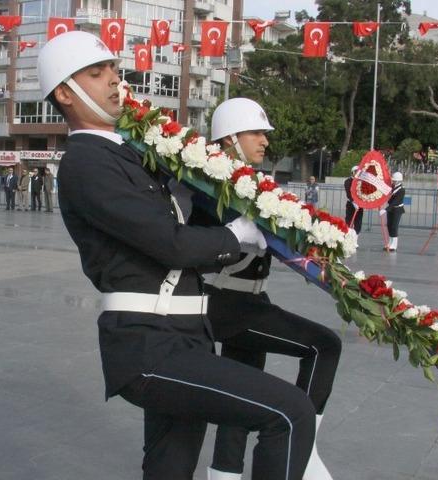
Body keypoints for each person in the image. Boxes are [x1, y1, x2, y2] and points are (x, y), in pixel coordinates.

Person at [40, 31, 315, 480]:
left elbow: (177, 235)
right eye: (97, 72)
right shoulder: (86, 162)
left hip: (183, 336)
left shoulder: (128, 156)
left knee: (170, 470)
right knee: (288, 413)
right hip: (149, 345)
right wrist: (238, 234)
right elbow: (170, 243)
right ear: (66, 94)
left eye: (113, 69)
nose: (114, 80)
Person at [202, 98, 342, 480]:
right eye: (257, 132)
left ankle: (223, 473)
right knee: (324, 345)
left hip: (246, 301)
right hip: (227, 303)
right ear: (230, 138)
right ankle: (305, 448)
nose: (265, 140)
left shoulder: (244, 182)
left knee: (240, 400)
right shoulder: (213, 183)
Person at [383, 172, 405, 252]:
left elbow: (395, 201)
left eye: (395, 180)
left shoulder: (401, 190)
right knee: (389, 225)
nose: (394, 181)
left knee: (394, 226)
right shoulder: (392, 187)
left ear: (399, 181)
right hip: (391, 209)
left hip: (397, 209)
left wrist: (385, 209)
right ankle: (390, 242)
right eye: (394, 180)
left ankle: (394, 244)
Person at [343, 166, 363, 234]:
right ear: (352, 172)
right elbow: (349, 193)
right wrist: (354, 202)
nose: (357, 173)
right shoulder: (347, 181)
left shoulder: (361, 181)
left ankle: (355, 239)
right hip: (351, 204)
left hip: (359, 204)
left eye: (358, 172)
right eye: (355, 172)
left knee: (358, 222)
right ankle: (347, 237)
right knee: (348, 221)